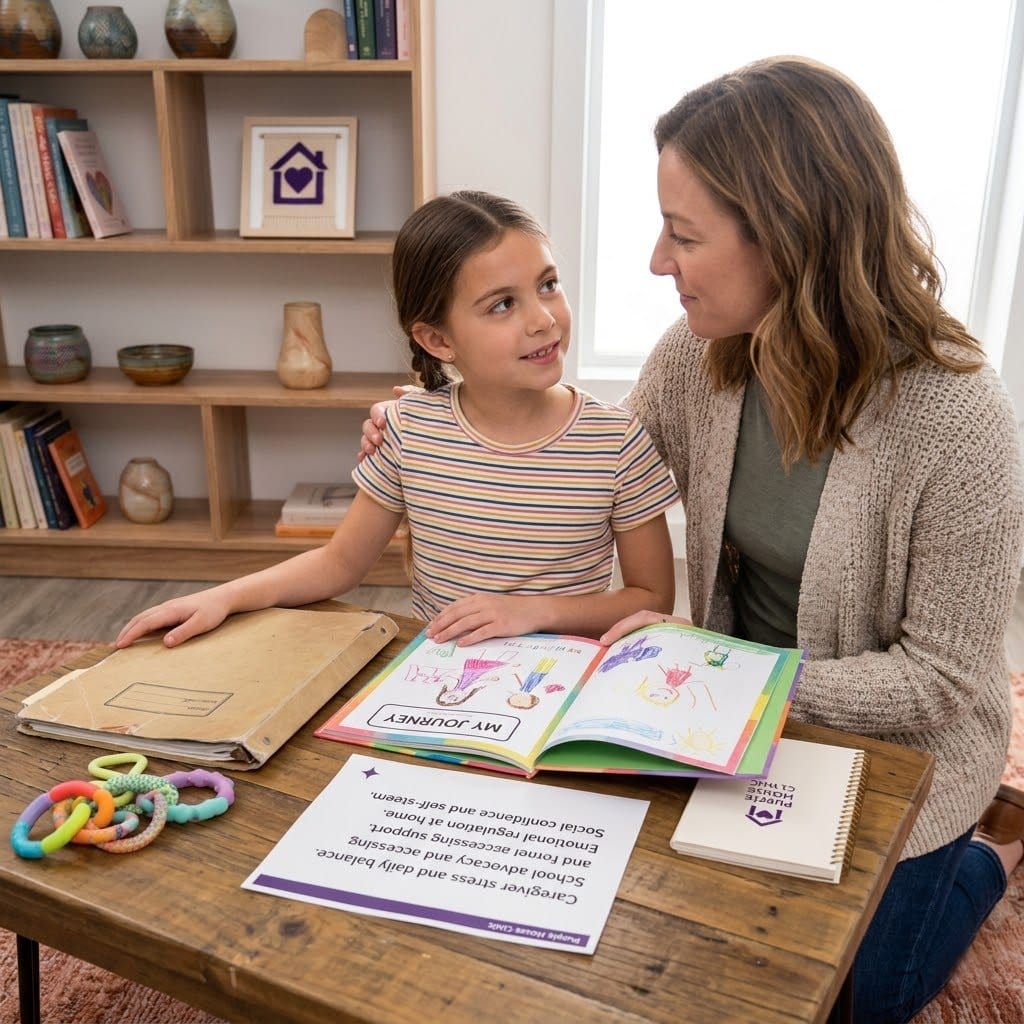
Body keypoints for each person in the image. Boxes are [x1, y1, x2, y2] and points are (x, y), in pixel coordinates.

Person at [360, 58, 1024, 1024]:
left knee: (857, 1000)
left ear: (792, 241)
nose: (656, 262)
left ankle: (984, 859)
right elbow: (581, 465)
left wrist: (739, 672)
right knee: (654, 953)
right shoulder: (697, 358)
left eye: (683, 234)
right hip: (703, 713)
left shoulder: (960, 416)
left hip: (886, 740)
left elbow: (949, 684)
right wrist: (429, 423)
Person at [116, 190, 678, 653]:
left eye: (547, 285)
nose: (542, 319)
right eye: (502, 304)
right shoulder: (409, 431)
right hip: (437, 688)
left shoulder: (615, 440)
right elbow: (339, 563)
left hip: (564, 687)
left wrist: (530, 613)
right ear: (437, 339)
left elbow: (651, 596)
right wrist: (226, 597)